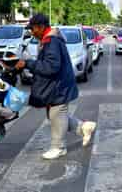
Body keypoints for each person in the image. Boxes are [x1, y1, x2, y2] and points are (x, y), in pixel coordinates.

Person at [15, 13, 97, 160]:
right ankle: (84, 127)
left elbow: (51, 67)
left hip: (59, 87)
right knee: (57, 115)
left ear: (41, 27)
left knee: (56, 115)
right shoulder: (49, 40)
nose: (31, 32)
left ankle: (58, 147)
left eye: (33, 29)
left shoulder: (51, 41)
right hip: (58, 85)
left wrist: (28, 63)